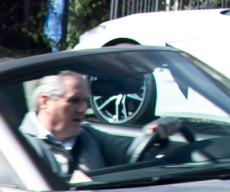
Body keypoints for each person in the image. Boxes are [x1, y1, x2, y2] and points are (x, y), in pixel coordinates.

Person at [17, 70, 182, 185]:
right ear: (45, 102)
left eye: (85, 101)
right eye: (74, 100)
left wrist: (154, 131)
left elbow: (131, 151)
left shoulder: (88, 134)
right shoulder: (19, 144)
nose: (83, 109)